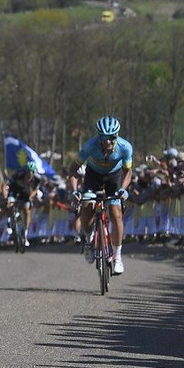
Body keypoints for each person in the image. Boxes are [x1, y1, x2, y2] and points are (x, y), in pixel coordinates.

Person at [69, 116, 133, 275]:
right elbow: (73, 170)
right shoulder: (90, 146)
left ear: (117, 136)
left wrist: (123, 189)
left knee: (115, 212)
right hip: (93, 176)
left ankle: (117, 257)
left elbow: (128, 172)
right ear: (99, 137)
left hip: (114, 177)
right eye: (104, 138)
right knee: (87, 206)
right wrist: (75, 190)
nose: (108, 142)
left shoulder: (125, 147)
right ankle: (88, 238)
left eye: (112, 138)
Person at [5, 161, 40, 247]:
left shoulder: (37, 179)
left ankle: (25, 234)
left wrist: (31, 197)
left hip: (25, 193)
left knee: (27, 211)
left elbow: (35, 190)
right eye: (28, 172)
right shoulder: (19, 174)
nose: (29, 174)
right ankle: (9, 222)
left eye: (31, 173)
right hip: (14, 190)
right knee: (9, 204)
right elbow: (9, 183)